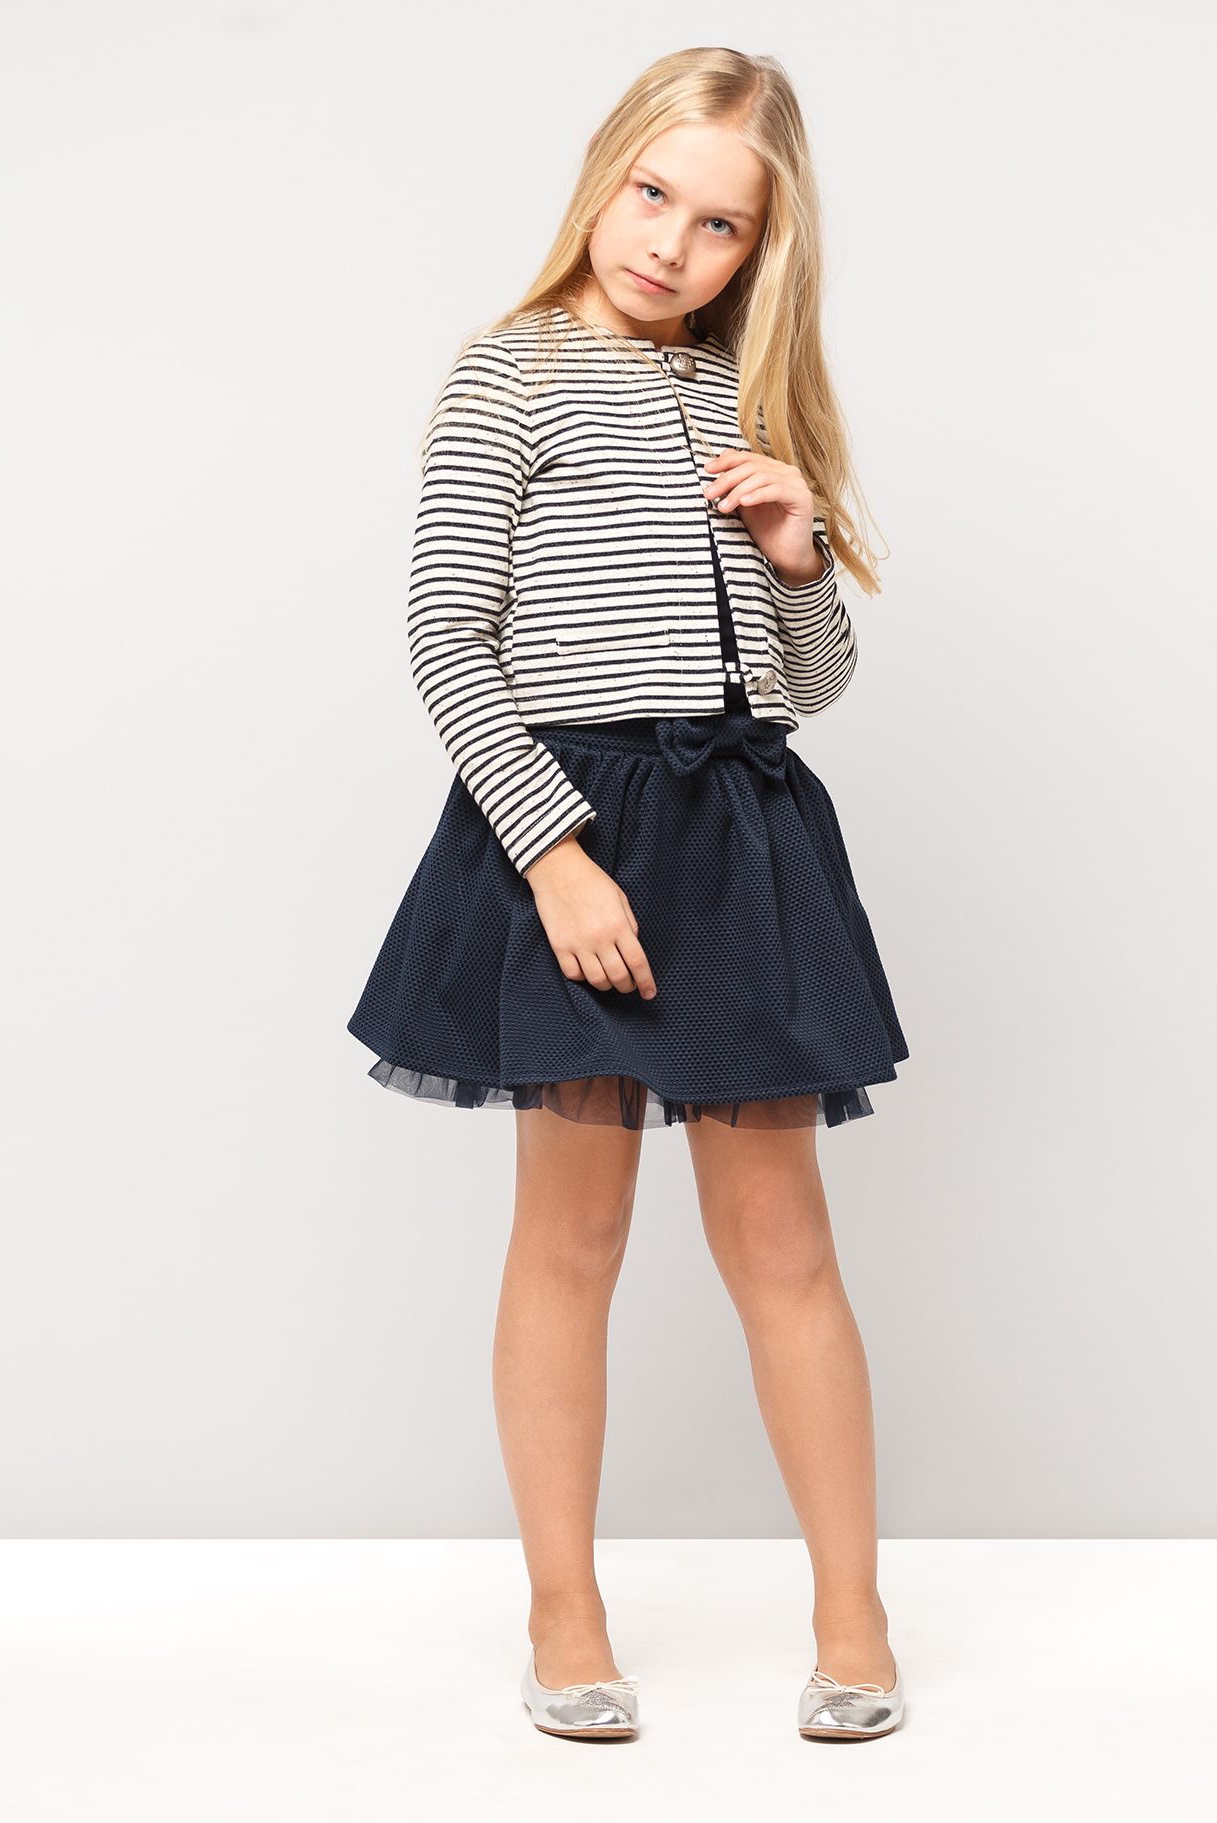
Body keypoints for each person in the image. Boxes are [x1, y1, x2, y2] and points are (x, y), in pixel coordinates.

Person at [348, 46, 909, 1744]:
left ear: (762, 247)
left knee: (781, 1241)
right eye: (654, 194)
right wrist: (555, 856)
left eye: (719, 224)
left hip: (736, 835)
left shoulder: (749, 397)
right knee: (573, 1233)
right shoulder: (509, 371)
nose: (671, 243)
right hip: (572, 829)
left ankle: (855, 1619)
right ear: (605, 175)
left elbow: (809, 684)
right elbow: (449, 638)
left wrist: (799, 547)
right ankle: (565, 1615)